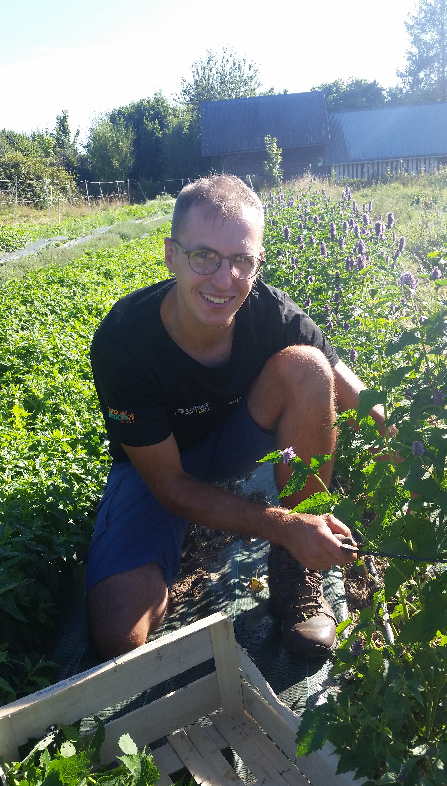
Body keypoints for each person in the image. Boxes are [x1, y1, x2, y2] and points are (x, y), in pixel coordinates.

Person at [87, 175, 384, 662]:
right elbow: (169, 485)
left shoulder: (269, 311)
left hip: (233, 442)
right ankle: (218, 536)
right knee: (120, 636)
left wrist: (401, 435)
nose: (224, 280)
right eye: (204, 255)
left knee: (309, 369)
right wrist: (282, 522)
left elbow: (347, 384)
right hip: (159, 467)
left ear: (257, 262)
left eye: (241, 260)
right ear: (171, 254)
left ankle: (295, 570)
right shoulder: (125, 342)